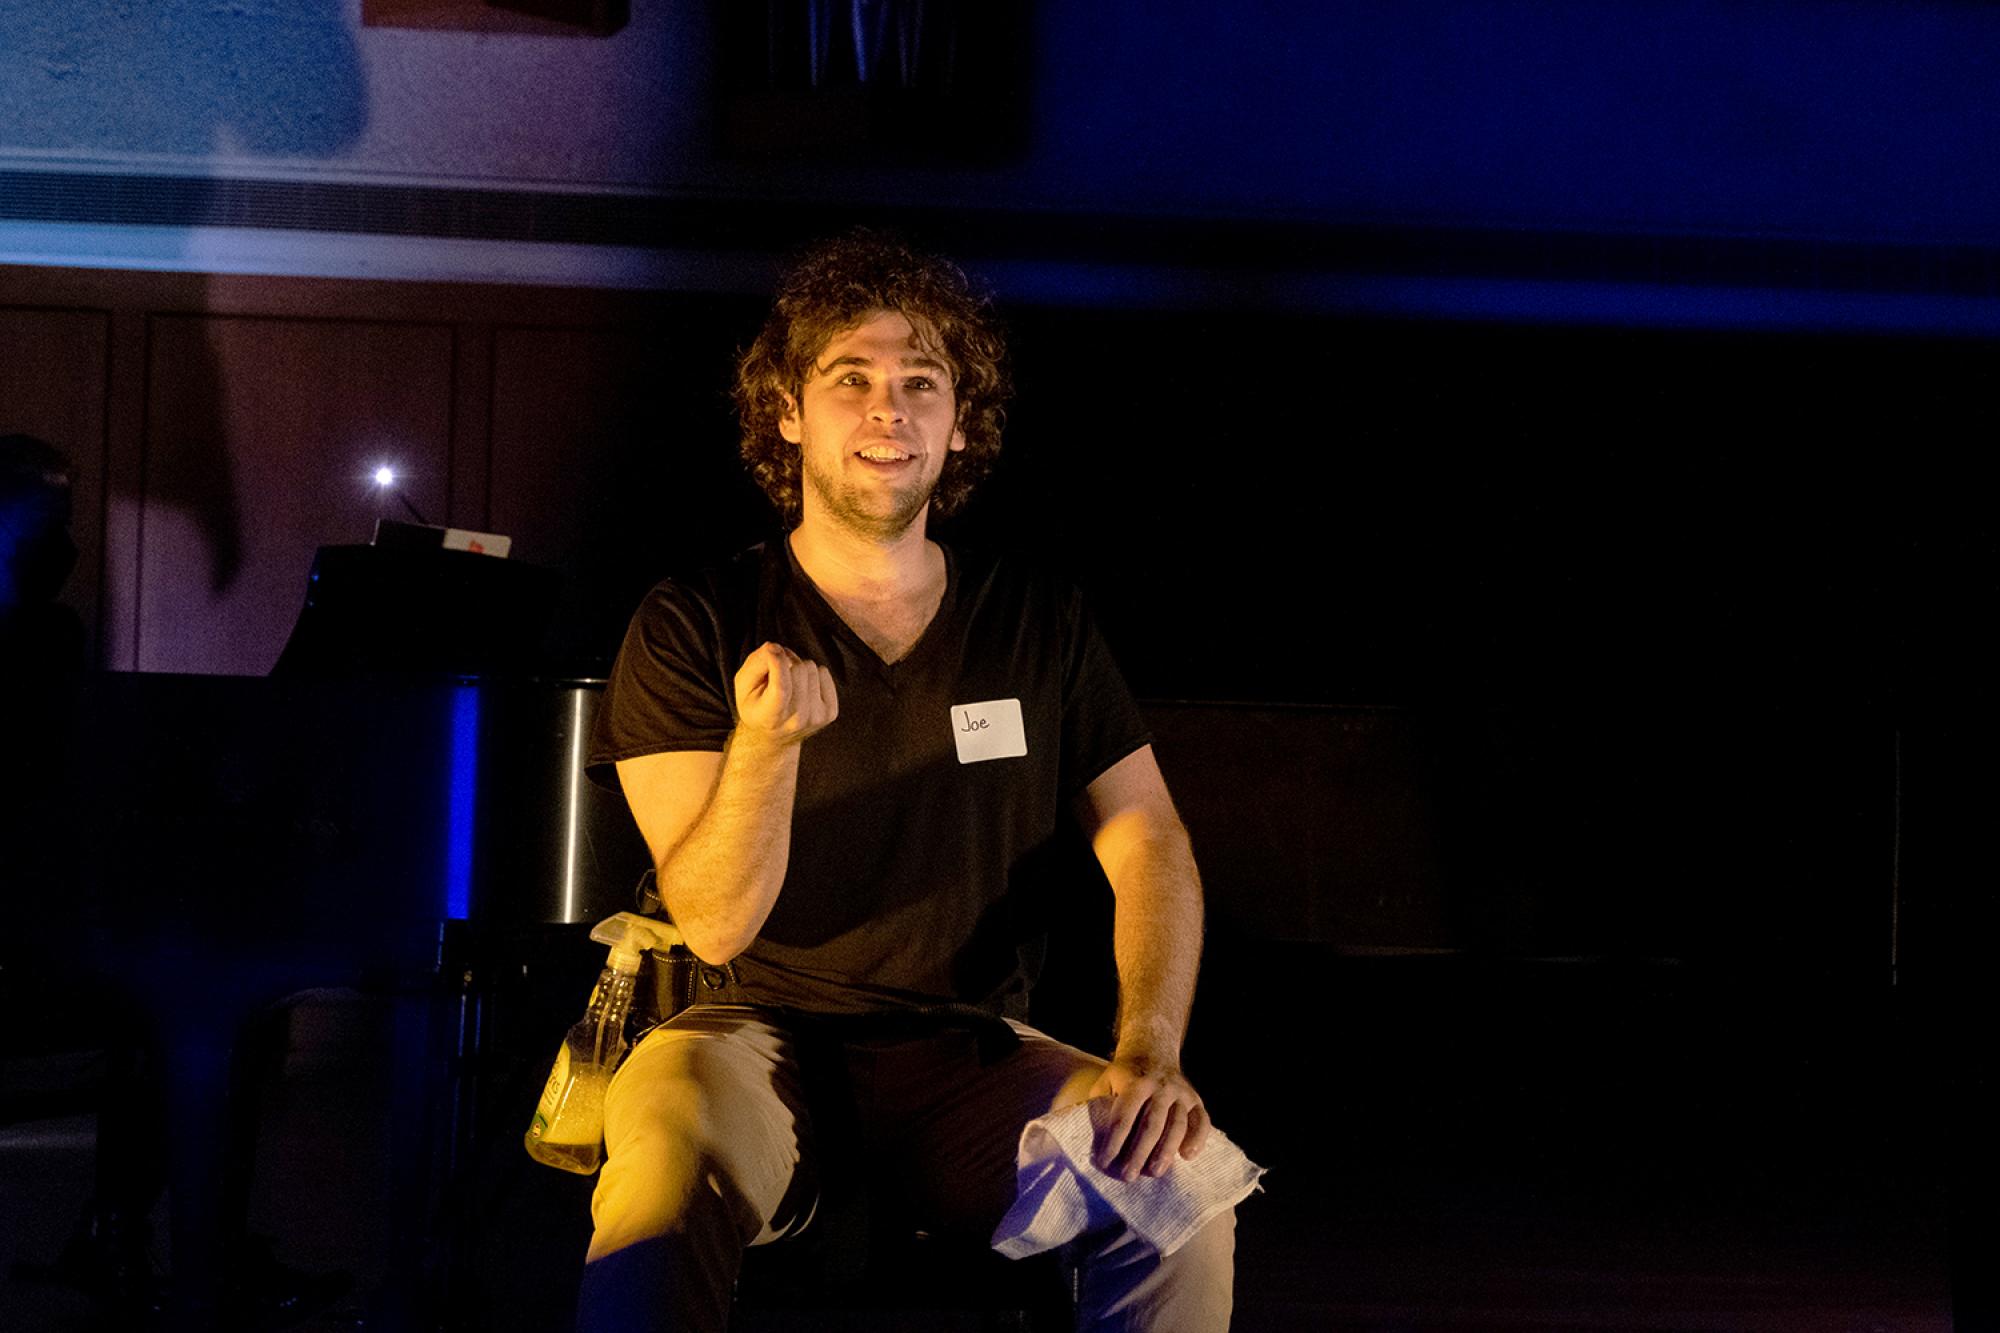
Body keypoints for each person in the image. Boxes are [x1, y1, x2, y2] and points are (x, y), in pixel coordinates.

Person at [579, 231, 1235, 1331]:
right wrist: (765, 747)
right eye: (851, 379)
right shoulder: (692, 619)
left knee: (1179, 1182)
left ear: (959, 423)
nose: (888, 409)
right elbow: (715, 923)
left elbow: (1148, 842)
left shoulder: (1038, 621)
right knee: (657, 1176)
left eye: (919, 384)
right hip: (745, 1035)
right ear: (787, 412)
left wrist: (1148, 1052)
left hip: (971, 1053)